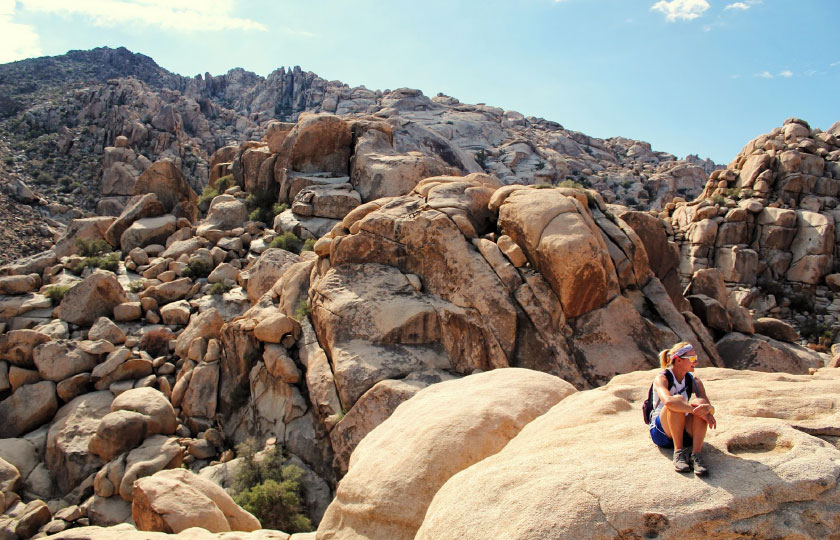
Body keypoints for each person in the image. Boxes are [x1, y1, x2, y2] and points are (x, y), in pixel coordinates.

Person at [649, 341, 716, 475]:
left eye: (696, 358)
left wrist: (707, 411)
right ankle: (678, 452)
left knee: (700, 402)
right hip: (662, 434)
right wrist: (695, 411)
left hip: (684, 431)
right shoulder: (662, 378)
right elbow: (668, 402)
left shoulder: (694, 381)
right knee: (676, 400)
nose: (695, 362)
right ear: (678, 360)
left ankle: (696, 455)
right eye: (692, 359)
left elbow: (709, 408)